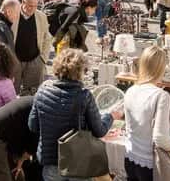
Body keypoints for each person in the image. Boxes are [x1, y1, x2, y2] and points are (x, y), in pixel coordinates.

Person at [28, 48, 118, 181]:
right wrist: (111, 116)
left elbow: (32, 126)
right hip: (77, 162)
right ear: (81, 71)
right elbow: (99, 131)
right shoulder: (84, 95)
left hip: (51, 161)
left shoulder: (42, 92)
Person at [123, 46, 170, 181]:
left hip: (130, 157)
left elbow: (129, 128)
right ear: (161, 68)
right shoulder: (161, 95)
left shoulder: (131, 90)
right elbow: (160, 137)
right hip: (149, 163)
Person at [12, 0, 52, 94]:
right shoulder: (13, 15)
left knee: (32, 93)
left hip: (34, 60)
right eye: (30, 5)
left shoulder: (41, 16)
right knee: (12, 91)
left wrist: (43, 58)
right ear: (23, 2)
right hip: (15, 60)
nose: (32, 9)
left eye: (35, 6)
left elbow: (47, 38)